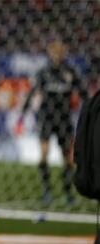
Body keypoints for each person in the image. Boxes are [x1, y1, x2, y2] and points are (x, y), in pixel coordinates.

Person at [17, 40, 87, 205]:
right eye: (54, 52)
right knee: (43, 155)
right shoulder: (44, 72)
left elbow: (83, 93)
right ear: (50, 53)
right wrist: (22, 115)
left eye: (59, 52)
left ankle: (68, 193)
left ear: (63, 53)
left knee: (68, 159)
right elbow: (32, 93)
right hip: (46, 118)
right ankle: (47, 191)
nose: (56, 55)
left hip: (64, 119)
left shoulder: (70, 73)